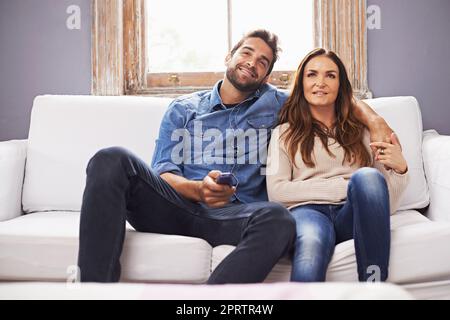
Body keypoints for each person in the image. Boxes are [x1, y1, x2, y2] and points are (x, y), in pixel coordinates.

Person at [78, 30, 394, 284]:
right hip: (176, 207)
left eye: (263, 61)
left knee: (279, 218)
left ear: (267, 75)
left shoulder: (277, 105)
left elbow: (325, 93)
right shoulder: (184, 109)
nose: (252, 63)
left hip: (236, 216)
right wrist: (198, 189)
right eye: (247, 53)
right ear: (230, 56)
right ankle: (93, 292)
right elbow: (163, 173)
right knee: (111, 158)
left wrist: (377, 122)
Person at [266, 48, 409, 282]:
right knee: (311, 244)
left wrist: (400, 170)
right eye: (312, 74)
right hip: (307, 212)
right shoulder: (283, 133)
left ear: (340, 85)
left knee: (369, 178)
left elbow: (383, 205)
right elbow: (277, 191)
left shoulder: (365, 133)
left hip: (351, 214)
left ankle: (373, 293)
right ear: (301, 82)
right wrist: (346, 186)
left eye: (330, 75)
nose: (320, 82)